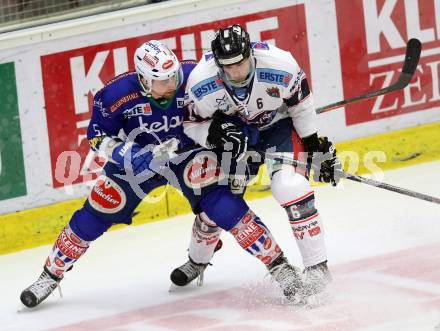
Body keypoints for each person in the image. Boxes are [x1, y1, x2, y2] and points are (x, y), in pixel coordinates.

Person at [20, 40, 307, 308]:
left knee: (223, 206)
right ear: (144, 79)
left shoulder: (194, 75)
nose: (173, 84)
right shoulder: (115, 95)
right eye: (163, 80)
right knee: (99, 208)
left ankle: (280, 268)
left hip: (188, 153)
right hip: (140, 161)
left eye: (174, 77)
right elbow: (97, 136)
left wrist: (238, 130)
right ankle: (50, 275)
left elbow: (234, 106)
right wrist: (125, 153)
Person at [171, 24, 342, 296]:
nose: (236, 71)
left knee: (290, 186)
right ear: (218, 65)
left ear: (251, 53)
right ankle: (197, 260)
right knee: (217, 204)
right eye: (228, 66)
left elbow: (301, 106)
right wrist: (215, 134)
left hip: (279, 128)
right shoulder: (201, 83)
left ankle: (317, 268)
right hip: (236, 141)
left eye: (241, 63)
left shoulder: (281, 65)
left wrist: (313, 146)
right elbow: (192, 124)